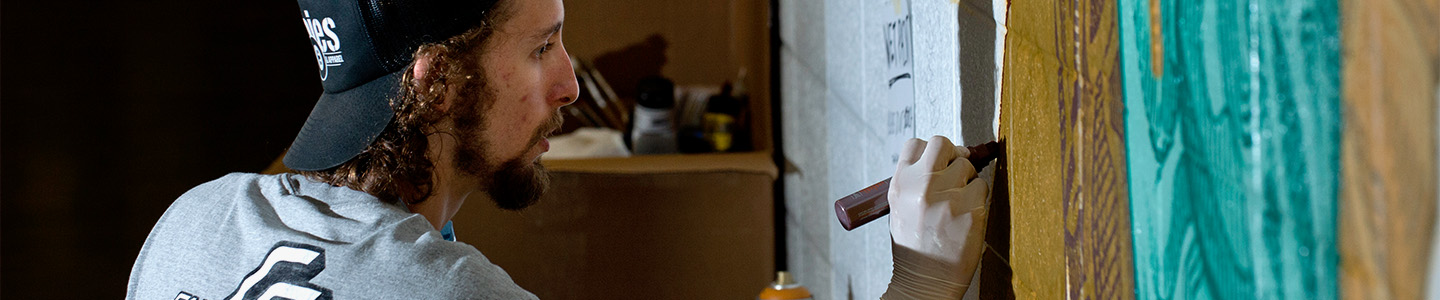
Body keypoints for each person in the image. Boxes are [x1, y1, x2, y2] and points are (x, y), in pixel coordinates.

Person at [126, 0, 991, 299]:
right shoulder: (441, 292)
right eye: (542, 48)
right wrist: (920, 279)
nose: (573, 85)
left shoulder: (187, 226)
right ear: (437, 83)